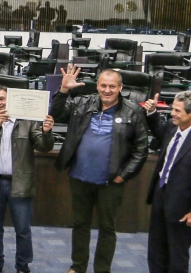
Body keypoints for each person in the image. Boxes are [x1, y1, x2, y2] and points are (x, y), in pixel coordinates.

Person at [52, 66, 149, 273]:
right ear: (97, 86)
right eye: (103, 86)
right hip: (79, 177)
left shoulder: (133, 111)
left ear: (120, 87)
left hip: (111, 182)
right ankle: (77, 267)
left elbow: (141, 150)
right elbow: (57, 113)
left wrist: (124, 176)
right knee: (80, 225)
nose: (107, 90)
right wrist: (63, 90)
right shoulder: (83, 103)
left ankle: (102, 270)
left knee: (107, 229)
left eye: (112, 86)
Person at [0, 86, 55, 273]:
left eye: (1, 99)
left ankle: (22, 266)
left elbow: (43, 146)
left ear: (10, 100)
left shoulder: (28, 122)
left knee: (23, 230)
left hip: (20, 184)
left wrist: (46, 131)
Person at [143, 92, 191, 272]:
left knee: (177, 253)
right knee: (155, 250)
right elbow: (158, 130)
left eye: (177, 111)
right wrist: (153, 112)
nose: (172, 114)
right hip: (160, 194)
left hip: (183, 204)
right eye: (172, 109)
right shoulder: (171, 126)